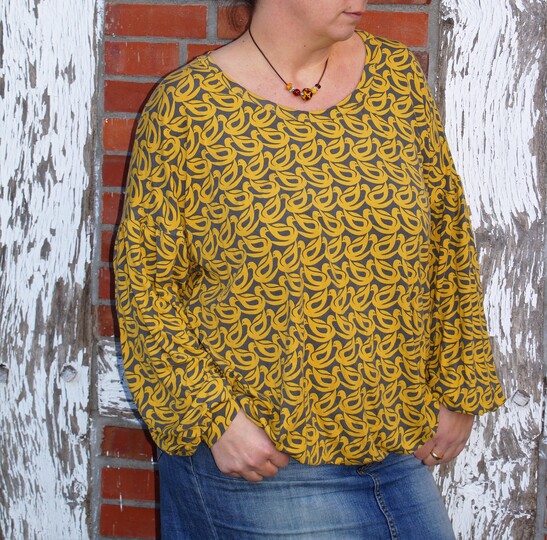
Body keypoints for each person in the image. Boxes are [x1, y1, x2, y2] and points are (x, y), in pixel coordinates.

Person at [114, 1, 506, 538]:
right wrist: (215, 419)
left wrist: (460, 385)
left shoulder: (395, 79)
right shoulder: (189, 108)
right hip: (263, 460)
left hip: (397, 444)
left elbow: (448, 238)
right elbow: (146, 283)